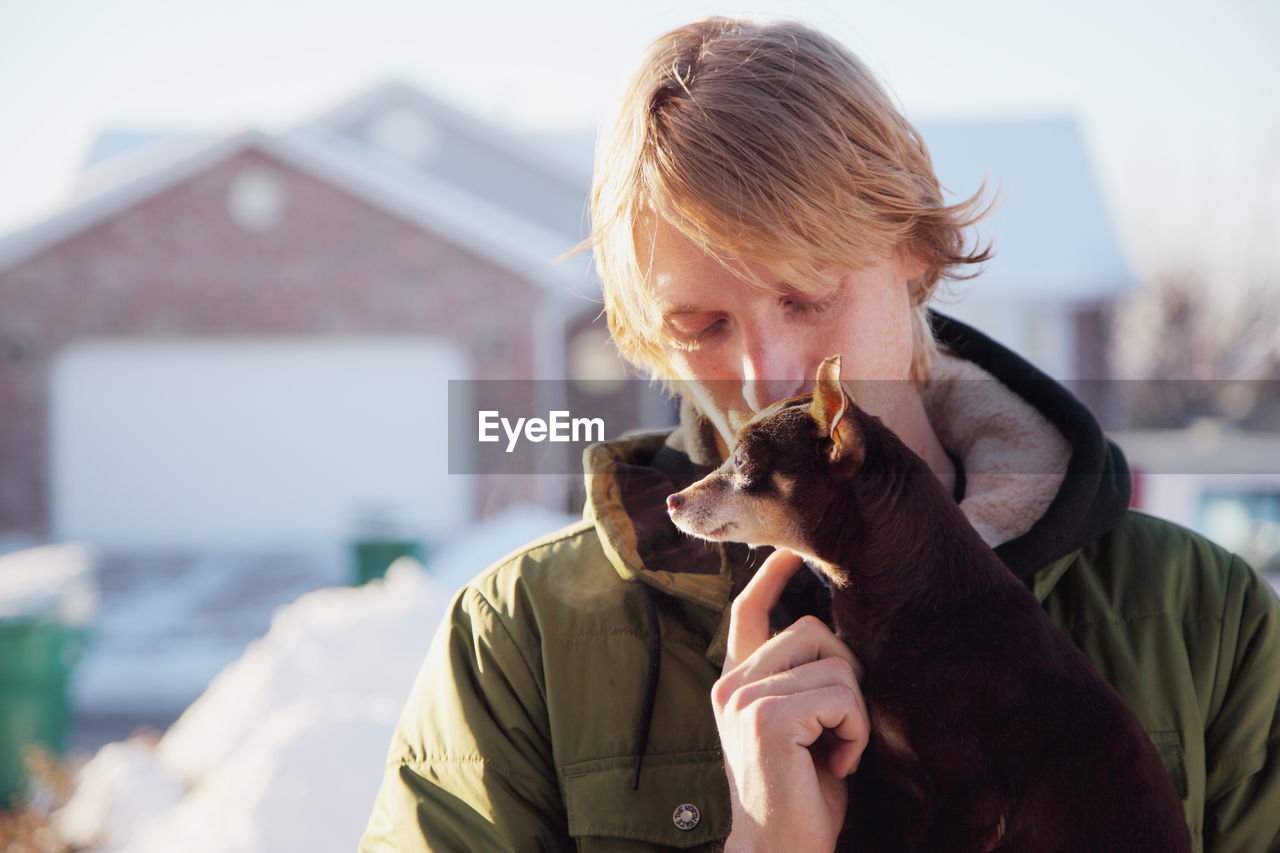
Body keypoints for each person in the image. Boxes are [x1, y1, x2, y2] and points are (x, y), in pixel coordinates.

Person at [360, 17, 1280, 852]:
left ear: (916, 250)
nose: (768, 377)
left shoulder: (1204, 622)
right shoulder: (521, 645)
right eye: (701, 326)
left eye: (807, 297)